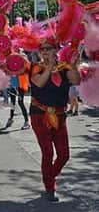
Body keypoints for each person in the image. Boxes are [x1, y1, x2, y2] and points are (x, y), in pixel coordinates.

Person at [29, 38, 80, 202]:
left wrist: (72, 64)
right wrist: (50, 66)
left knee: (64, 154)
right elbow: (40, 83)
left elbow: (76, 80)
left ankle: (49, 176)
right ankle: (50, 188)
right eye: (42, 48)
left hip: (59, 116)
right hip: (39, 115)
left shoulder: (64, 68)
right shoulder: (35, 67)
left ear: (56, 50)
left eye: (48, 48)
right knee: (47, 152)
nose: (44, 51)